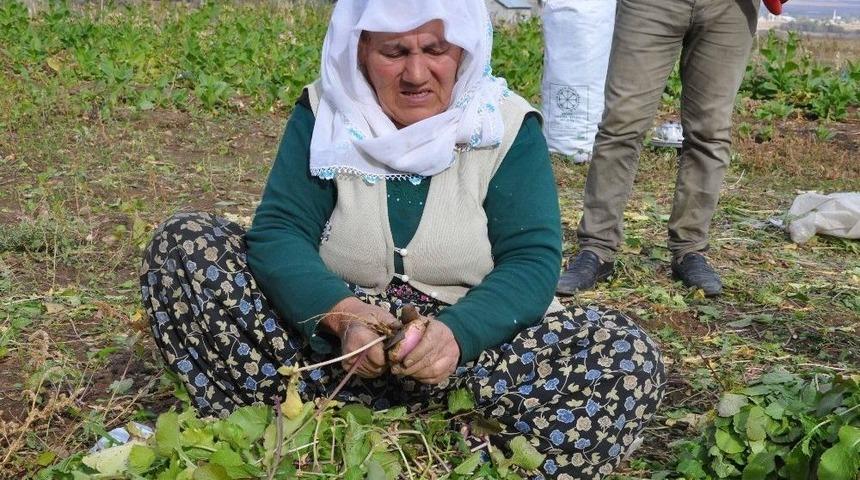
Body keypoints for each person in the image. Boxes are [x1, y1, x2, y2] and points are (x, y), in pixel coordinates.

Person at [140, 1, 664, 478]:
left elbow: (531, 261)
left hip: (472, 366)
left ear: (465, 50)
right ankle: (287, 430)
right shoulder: (327, 114)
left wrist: (456, 336)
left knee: (626, 355)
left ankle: (463, 455)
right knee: (184, 246)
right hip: (327, 358)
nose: (416, 73)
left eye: (436, 51)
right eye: (394, 52)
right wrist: (343, 316)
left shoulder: (502, 126)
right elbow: (280, 232)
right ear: (360, 51)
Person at [557, 0, 782, 298]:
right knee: (621, 124)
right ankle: (596, 249)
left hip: (730, 7)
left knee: (710, 132)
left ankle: (690, 250)